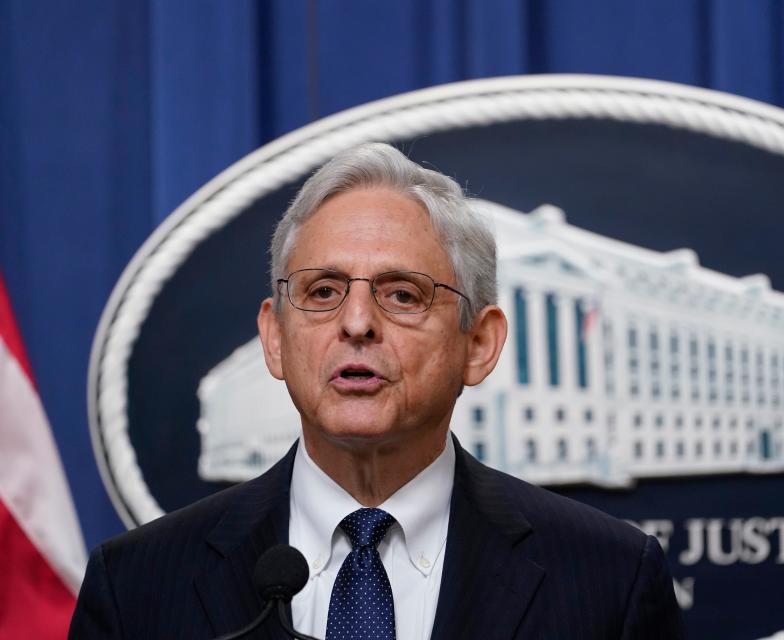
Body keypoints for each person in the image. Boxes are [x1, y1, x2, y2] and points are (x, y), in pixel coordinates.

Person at [69, 143, 684, 639]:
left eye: (402, 294)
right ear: (276, 339)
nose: (357, 322)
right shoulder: (137, 587)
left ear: (479, 344)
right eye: (322, 291)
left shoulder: (610, 580)